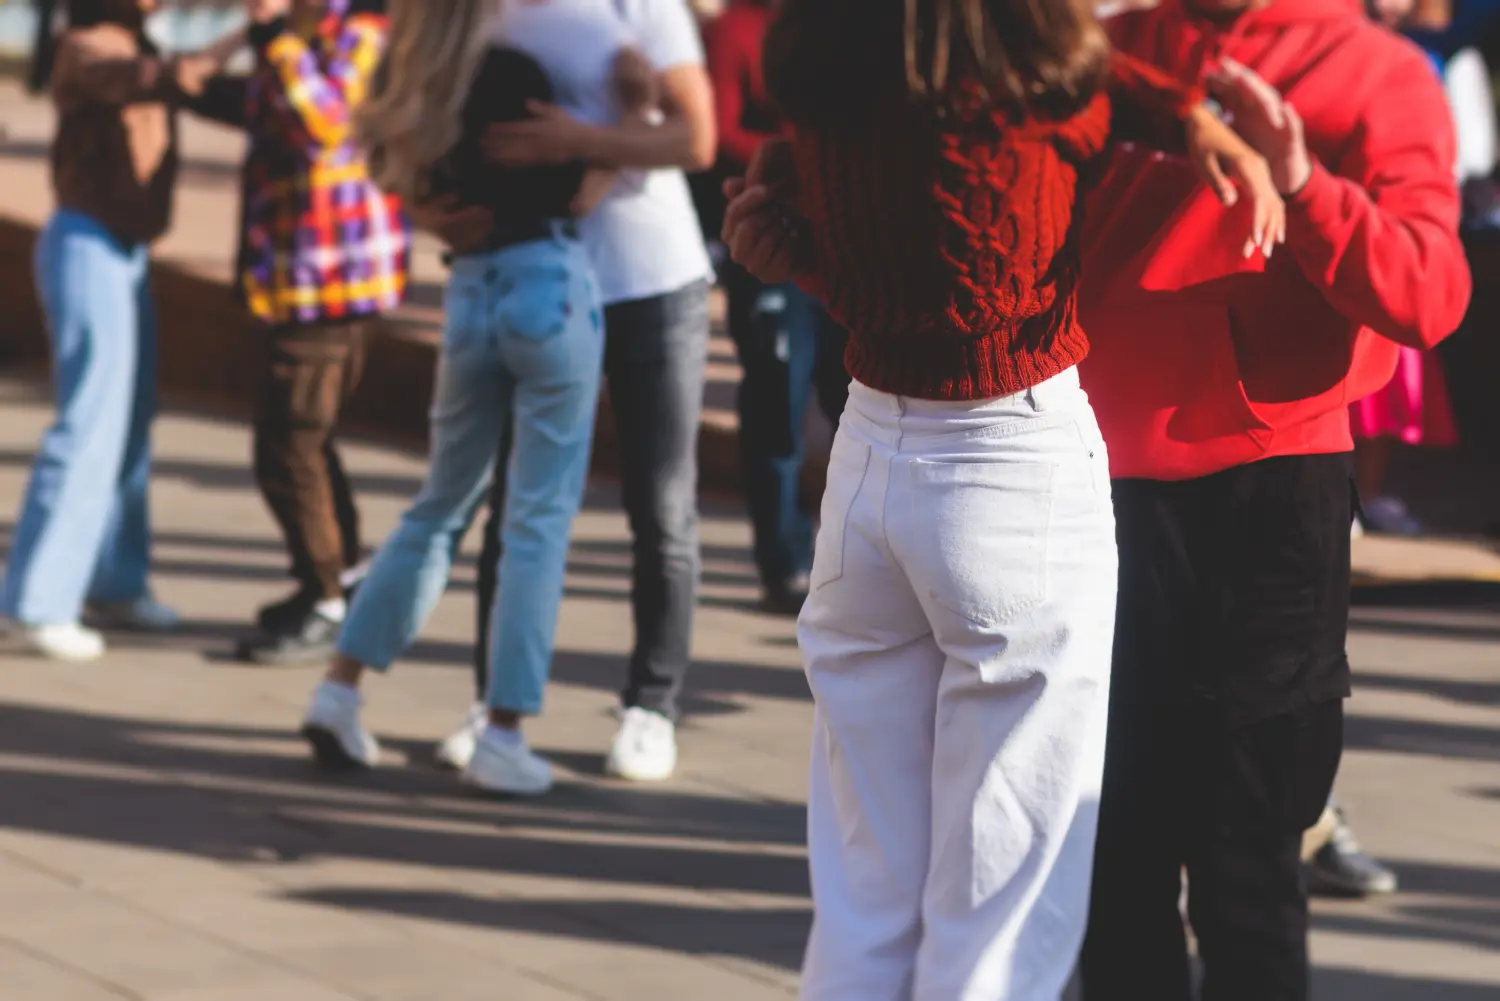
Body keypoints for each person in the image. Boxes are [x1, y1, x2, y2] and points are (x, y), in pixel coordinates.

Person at [721, 0, 1283, 995]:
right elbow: (1091, 89)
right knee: (1004, 907)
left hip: (870, 459)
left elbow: (888, 273)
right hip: (1007, 459)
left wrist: (797, 251)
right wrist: (1192, 113)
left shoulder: (827, 63)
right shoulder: (1037, 100)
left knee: (864, 888)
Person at [1071, 0, 1471, 997]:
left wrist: (1300, 180)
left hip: (1269, 509)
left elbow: (1429, 293)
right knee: (1107, 867)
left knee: (1244, 872)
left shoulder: (1379, 71)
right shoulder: (1108, 51)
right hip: (1085, 491)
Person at [296, 0, 632, 796]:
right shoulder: (515, 74)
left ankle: (340, 686)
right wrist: (631, 117)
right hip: (546, 284)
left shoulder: (413, 77)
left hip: (472, 294)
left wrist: (425, 210)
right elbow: (579, 195)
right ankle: (503, 730)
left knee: (437, 505)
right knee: (537, 520)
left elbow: (379, 160)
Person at [453, 0, 718, 785]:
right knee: (517, 501)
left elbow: (694, 137)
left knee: (661, 502)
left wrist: (579, 142)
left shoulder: (645, 8)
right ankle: (493, 701)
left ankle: (651, 704)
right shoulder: (487, 13)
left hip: (650, 280)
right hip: (535, 271)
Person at [0, 0, 243, 661]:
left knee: (130, 420)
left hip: (126, 249)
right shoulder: (85, 44)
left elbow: (195, 84)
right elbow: (159, 79)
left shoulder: (136, 36)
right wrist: (248, 28)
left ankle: (114, 581)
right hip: (86, 243)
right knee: (89, 422)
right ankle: (35, 600)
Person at [187, 0, 410, 665]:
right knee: (302, 441)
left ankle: (328, 598)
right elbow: (267, 110)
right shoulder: (302, 35)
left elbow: (324, 123)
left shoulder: (363, 35)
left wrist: (271, 37)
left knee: (291, 445)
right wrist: (219, 64)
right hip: (292, 277)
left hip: (332, 281)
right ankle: (332, 580)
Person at [706, 0, 850, 614]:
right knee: (776, 405)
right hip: (774, 241)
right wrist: (802, 154)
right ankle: (781, 560)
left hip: (847, 244)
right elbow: (718, 127)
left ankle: (849, 563)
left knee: (855, 414)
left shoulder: (849, 23)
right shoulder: (740, 25)